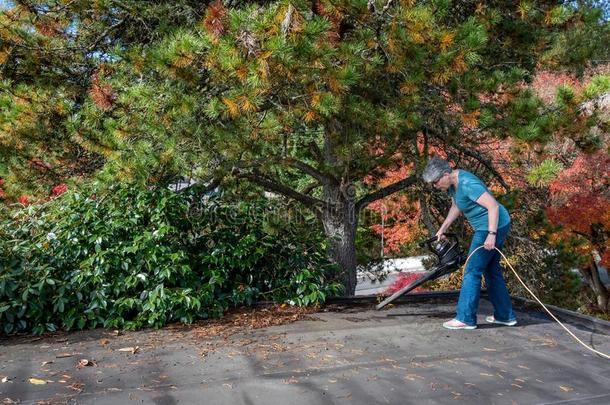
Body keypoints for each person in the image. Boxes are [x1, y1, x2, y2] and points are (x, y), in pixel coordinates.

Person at [422, 156, 517, 330]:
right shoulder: (453, 185)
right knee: (491, 269)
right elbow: (457, 206)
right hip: (494, 225)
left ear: (445, 174)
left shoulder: (466, 184)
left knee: (472, 270)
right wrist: (443, 228)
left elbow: (493, 206)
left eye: (436, 182)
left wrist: (491, 234)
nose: (435, 186)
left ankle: (465, 318)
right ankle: (505, 316)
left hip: (490, 227)